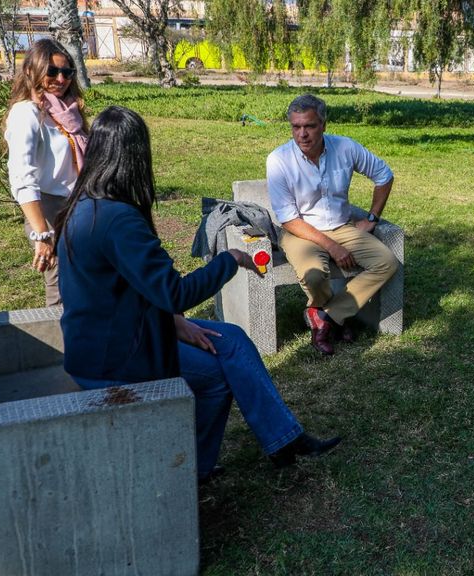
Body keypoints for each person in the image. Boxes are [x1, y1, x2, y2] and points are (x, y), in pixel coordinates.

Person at [55, 106, 340, 484]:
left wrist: (175, 324)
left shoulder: (85, 206)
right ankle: (193, 470)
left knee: (232, 339)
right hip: (117, 360)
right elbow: (174, 292)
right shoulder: (119, 220)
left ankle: (284, 439)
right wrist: (229, 260)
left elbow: (126, 288)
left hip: (113, 339)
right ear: (135, 157)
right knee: (215, 377)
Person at [266, 94, 400, 356]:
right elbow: (289, 219)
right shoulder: (278, 160)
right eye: (296, 127)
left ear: (323, 124)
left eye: (310, 126)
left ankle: (326, 318)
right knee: (315, 275)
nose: (302, 134)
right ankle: (337, 319)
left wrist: (372, 218)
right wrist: (333, 247)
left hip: (342, 226)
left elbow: (384, 175)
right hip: (300, 231)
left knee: (387, 263)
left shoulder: (345, 148)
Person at [4, 39, 89, 306]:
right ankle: (60, 345)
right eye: (52, 71)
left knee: (84, 279)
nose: (60, 79)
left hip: (78, 204)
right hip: (49, 208)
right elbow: (22, 175)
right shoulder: (27, 113)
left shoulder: (65, 111)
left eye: (67, 72)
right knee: (60, 284)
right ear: (32, 71)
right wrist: (42, 233)